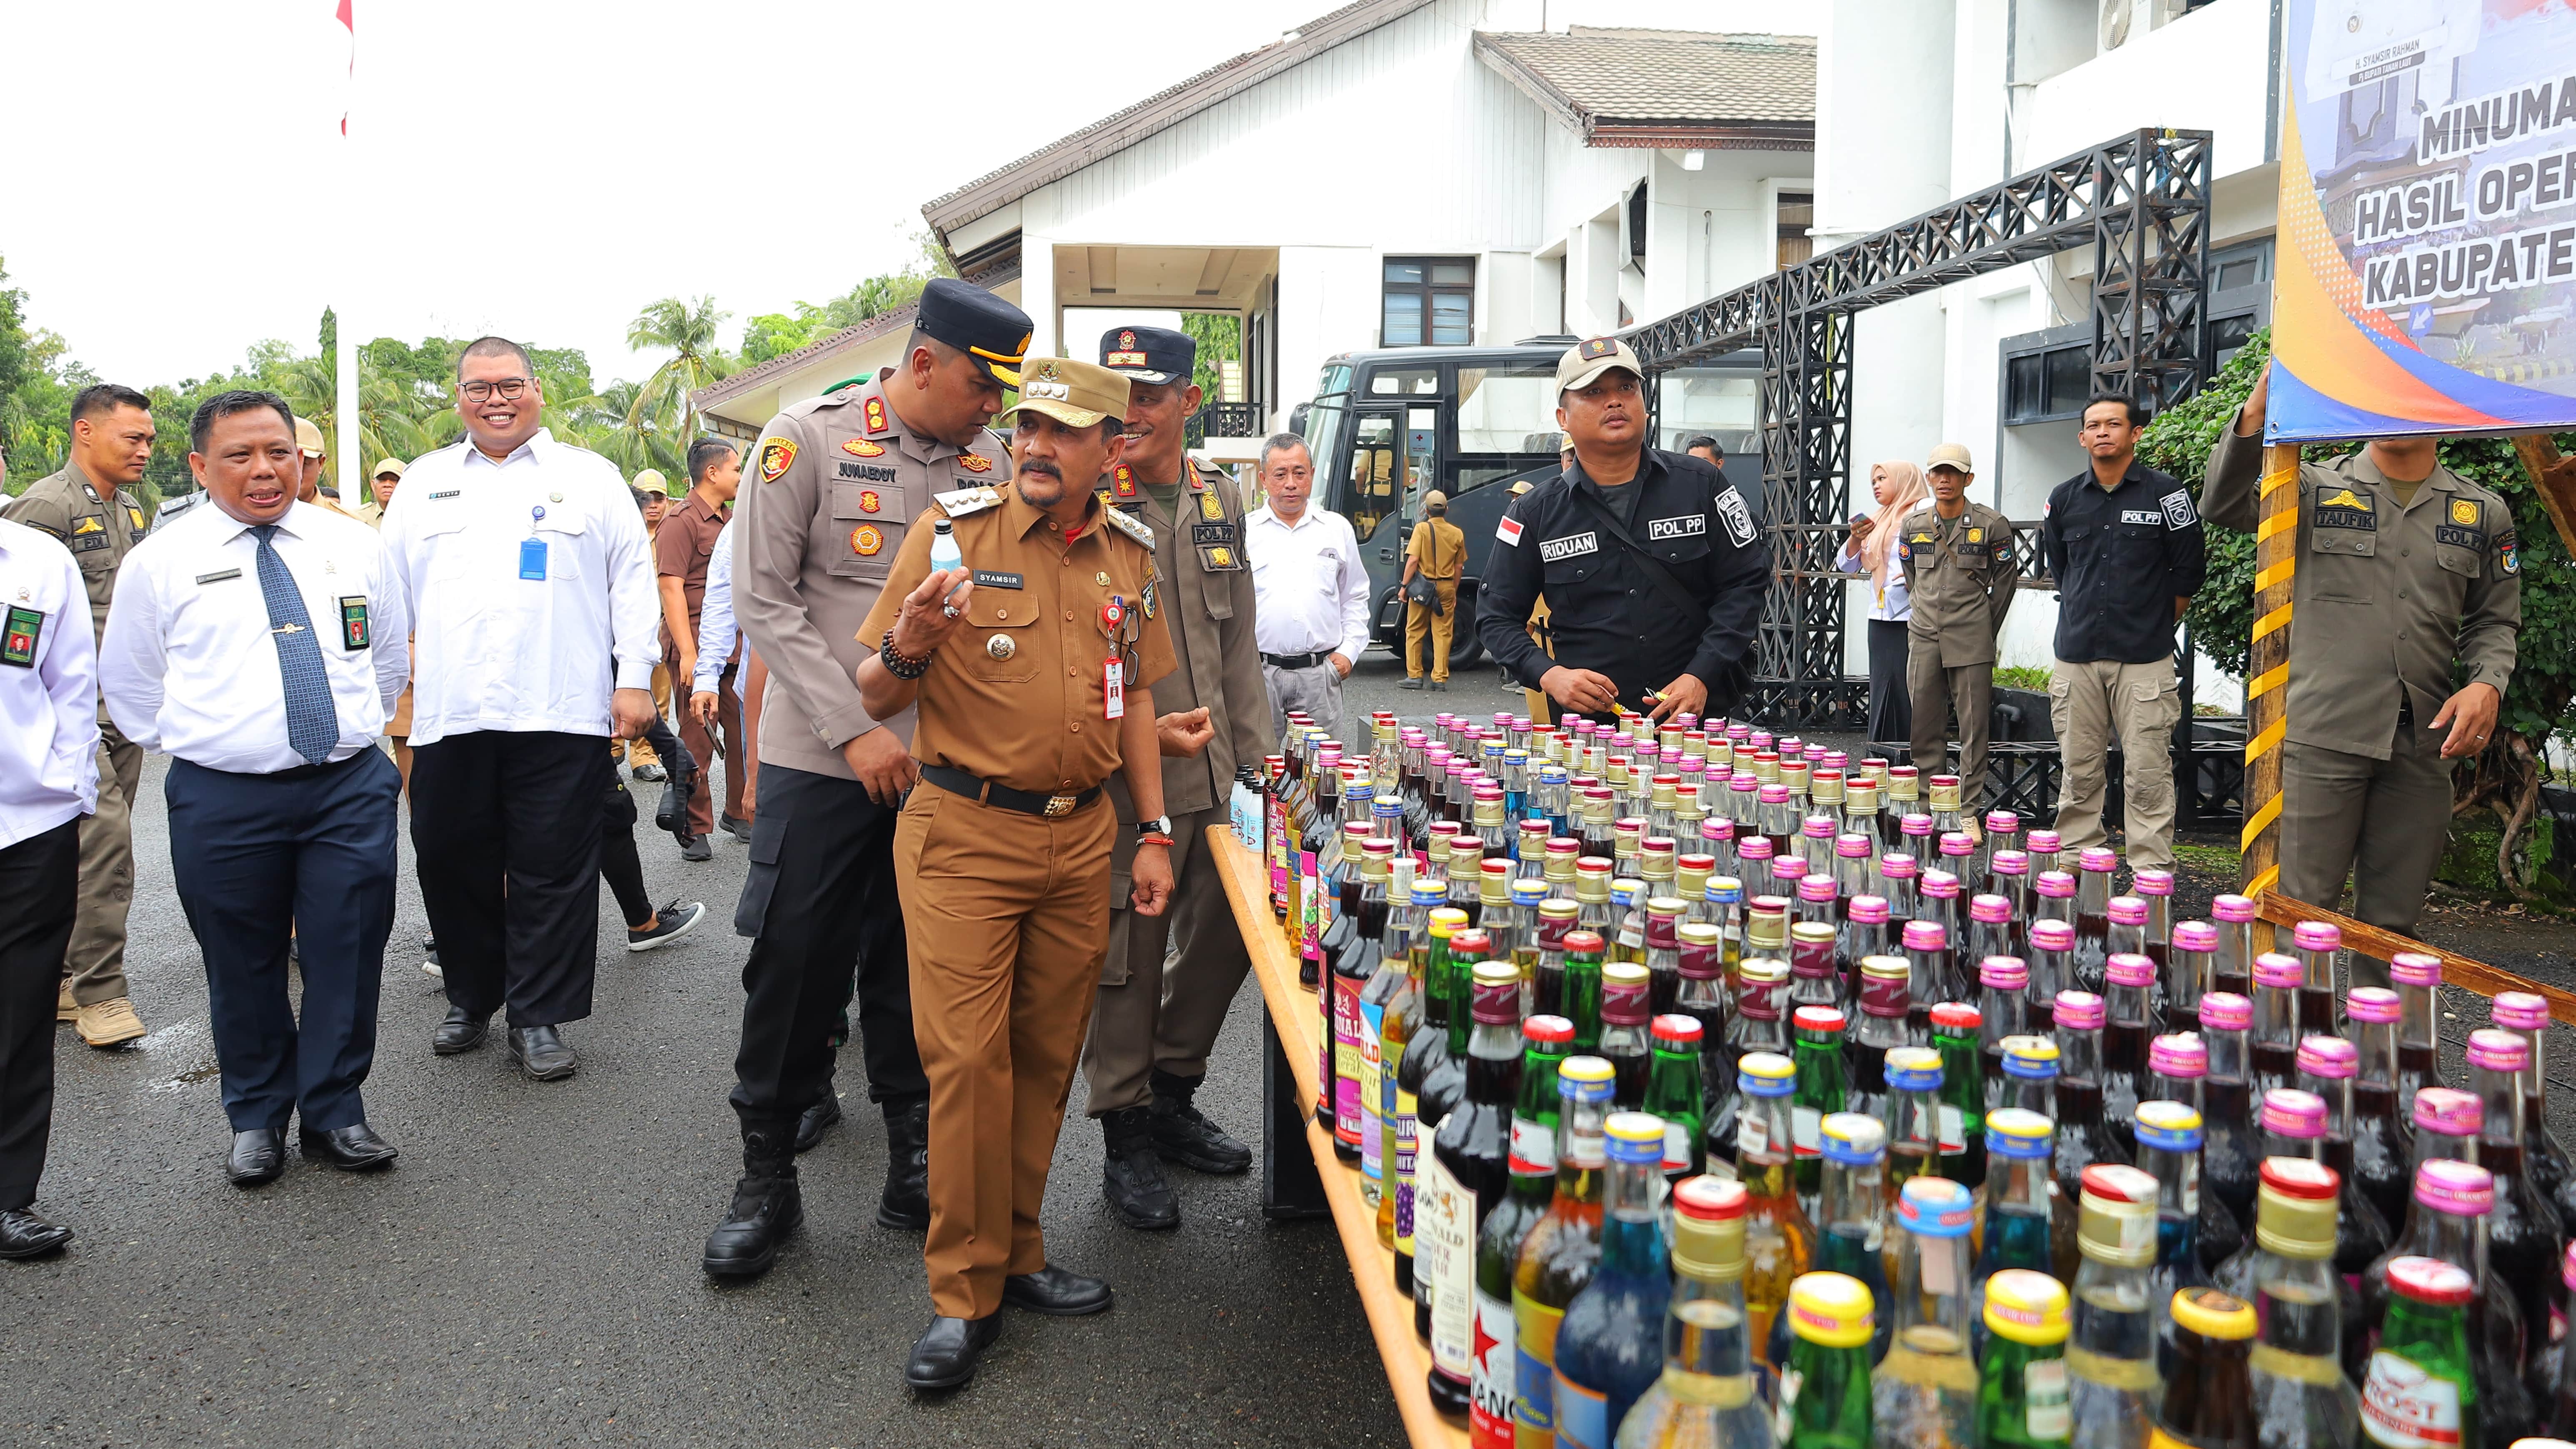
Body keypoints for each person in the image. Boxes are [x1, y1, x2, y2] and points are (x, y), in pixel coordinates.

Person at [854, 355, 1177, 1391]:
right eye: (1029, 424)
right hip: (965, 836)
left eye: (1063, 431)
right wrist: (908, 643)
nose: (1035, 444)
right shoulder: (952, 531)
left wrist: (1156, 829)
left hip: (1080, 839)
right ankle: (961, 1291)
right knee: (967, 1066)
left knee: (1043, 1060)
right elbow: (872, 694)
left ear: (1110, 450)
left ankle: (1019, 1251)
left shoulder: (1129, 553)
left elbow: (1129, 705)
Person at [700, 278, 1029, 1279]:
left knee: (921, 967)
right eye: (981, 385)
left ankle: (915, 1157)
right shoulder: (808, 438)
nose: (994, 408)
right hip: (825, 756)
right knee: (797, 962)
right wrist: (856, 731)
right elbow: (763, 599)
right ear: (923, 362)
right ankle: (768, 1176)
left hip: (951, 765)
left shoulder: (993, 459)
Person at [99, 390, 408, 1186]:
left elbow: (384, 661)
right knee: (242, 960)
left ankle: (336, 1110)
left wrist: (350, 734)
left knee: (348, 949)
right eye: (240, 455)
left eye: (279, 452)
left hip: (346, 786)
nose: (265, 470)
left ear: (302, 460)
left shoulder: (354, 545)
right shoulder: (159, 561)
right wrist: (220, 748)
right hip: (223, 795)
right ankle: (258, 1116)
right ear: (201, 467)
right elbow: (132, 688)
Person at [381, 336, 660, 1083]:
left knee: (553, 867)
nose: (494, 399)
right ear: (458, 398)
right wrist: (382, 692)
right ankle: (473, 996)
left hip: (560, 706)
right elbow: (387, 597)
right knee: (447, 857)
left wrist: (635, 678)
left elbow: (633, 582)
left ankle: (538, 1015)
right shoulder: (424, 483)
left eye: (509, 384)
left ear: (537, 391)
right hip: (450, 711)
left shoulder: (590, 478)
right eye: (478, 388)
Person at [2201, 367, 2521, 984]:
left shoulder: (2481, 511)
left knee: (2393, 927)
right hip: (2320, 734)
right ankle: (2288, 1055)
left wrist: (2487, 682)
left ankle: (2379, 1064)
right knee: (2297, 913)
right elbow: (2224, 504)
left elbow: (2494, 622)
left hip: (2425, 745)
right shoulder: (2312, 486)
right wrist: (2259, 406)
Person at [1080, 325, 1262, 1231]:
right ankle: (1124, 1130)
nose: (1130, 412)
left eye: (1149, 395)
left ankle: (1174, 1090)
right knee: (1128, 960)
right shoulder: (1083, 496)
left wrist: (1260, 768)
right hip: (1127, 781)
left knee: (1231, 937)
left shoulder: (1218, 493)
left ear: (1190, 401)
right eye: (1119, 395)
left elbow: (1238, 646)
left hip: (1221, 776)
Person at [1475, 337, 1770, 725]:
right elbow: (1495, 616)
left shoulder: (1702, 486)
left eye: (1626, 388)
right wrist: (1549, 675)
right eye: (1594, 392)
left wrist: (1702, 673)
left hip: (1696, 725)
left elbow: (1746, 582)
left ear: (1643, 404)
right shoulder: (1533, 513)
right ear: (1563, 418)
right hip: (1591, 736)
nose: (1614, 401)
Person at [0, 382, 155, 1049]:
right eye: (134, 437)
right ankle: (100, 993)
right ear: (86, 433)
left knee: (81, 850)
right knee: (105, 843)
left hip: (123, 701)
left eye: (150, 439)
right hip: (71, 705)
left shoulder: (133, 508)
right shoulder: (46, 506)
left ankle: (60, 977)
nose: (146, 449)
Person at [2038, 394, 2205, 872]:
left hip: (2143, 658)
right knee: (2079, 770)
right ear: (2082, 437)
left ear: (2135, 434)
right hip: (2077, 654)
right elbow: (2063, 569)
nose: (2103, 432)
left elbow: (2189, 570)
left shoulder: (2167, 495)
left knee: (2148, 772)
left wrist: (2152, 620)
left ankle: (2151, 873)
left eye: (2114, 424)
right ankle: (2074, 862)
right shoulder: (2064, 497)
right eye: (2093, 425)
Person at [0, 509, 99, 1256]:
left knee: (21, 1013)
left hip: (27, 826)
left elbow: (72, 683)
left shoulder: (37, 560)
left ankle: (9, 1196)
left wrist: (68, 788)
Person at [1898, 444, 2018, 816]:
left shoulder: (1991, 523)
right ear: (1929, 477)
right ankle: (1927, 804)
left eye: (1953, 473)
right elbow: (1912, 577)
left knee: (1973, 727)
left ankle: (1967, 811)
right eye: (1938, 472)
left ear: (1968, 478)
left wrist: (1983, 625)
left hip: (1971, 636)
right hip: (1924, 634)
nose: (1945, 479)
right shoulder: (1913, 524)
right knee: (1923, 724)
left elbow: (2005, 582)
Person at [1242, 433, 1369, 742]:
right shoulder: (1245, 531)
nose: (1290, 483)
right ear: (1263, 478)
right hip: (1260, 674)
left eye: (1299, 473)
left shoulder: (1336, 529)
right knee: (1260, 769)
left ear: (1311, 474)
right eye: (1280, 474)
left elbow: (1355, 595)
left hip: (1320, 674)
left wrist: (1348, 653)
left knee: (1320, 774)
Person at [655, 438, 746, 861]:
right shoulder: (681, 520)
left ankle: (738, 812)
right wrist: (689, 654)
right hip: (692, 643)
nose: (741, 478)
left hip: (731, 645)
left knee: (742, 731)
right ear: (712, 473)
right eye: (735, 470)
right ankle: (694, 824)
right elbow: (671, 587)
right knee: (698, 738)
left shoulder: (733, 519)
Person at [1837, 459, 1928, 746]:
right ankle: (1882, 750)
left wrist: (1915, 572)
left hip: (1913, 616)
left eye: (1882, 479)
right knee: (1881, 684)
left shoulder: (1923, 509)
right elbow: (1846, 566)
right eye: (1873, 481)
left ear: (1903, 479)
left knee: (1907, 685)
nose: (1876, 485)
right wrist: (1854, 539)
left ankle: (1908, 751)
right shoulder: (1878, 518)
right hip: (1880, 614)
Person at [623, 475, 673, 785]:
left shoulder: (673, 533)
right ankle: (614, 749)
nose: (653, 505)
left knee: (657, 696)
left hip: (660, 625)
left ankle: (645, 756)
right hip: (624, 627)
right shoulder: (624, 532)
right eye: (647, 498)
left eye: (659, 498)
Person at [1399, 489, 1465, 691]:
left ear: (1426, 511)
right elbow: (1459, 567)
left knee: (1414, 630)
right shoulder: (1457, 533)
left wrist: (1404, 587)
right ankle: (1439, 679)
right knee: (1444, 633)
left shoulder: (1421, 529)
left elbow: (1413, 560)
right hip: (1446, 587)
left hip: (1422, 588)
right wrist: (1453, 591)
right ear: (1446, 510)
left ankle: (1415, 676)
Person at [360, 457, 406, 526]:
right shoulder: (358, 518)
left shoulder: (419, 516)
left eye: (395, 480)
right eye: (382, 480)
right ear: (373, 485)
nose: (388, 485)